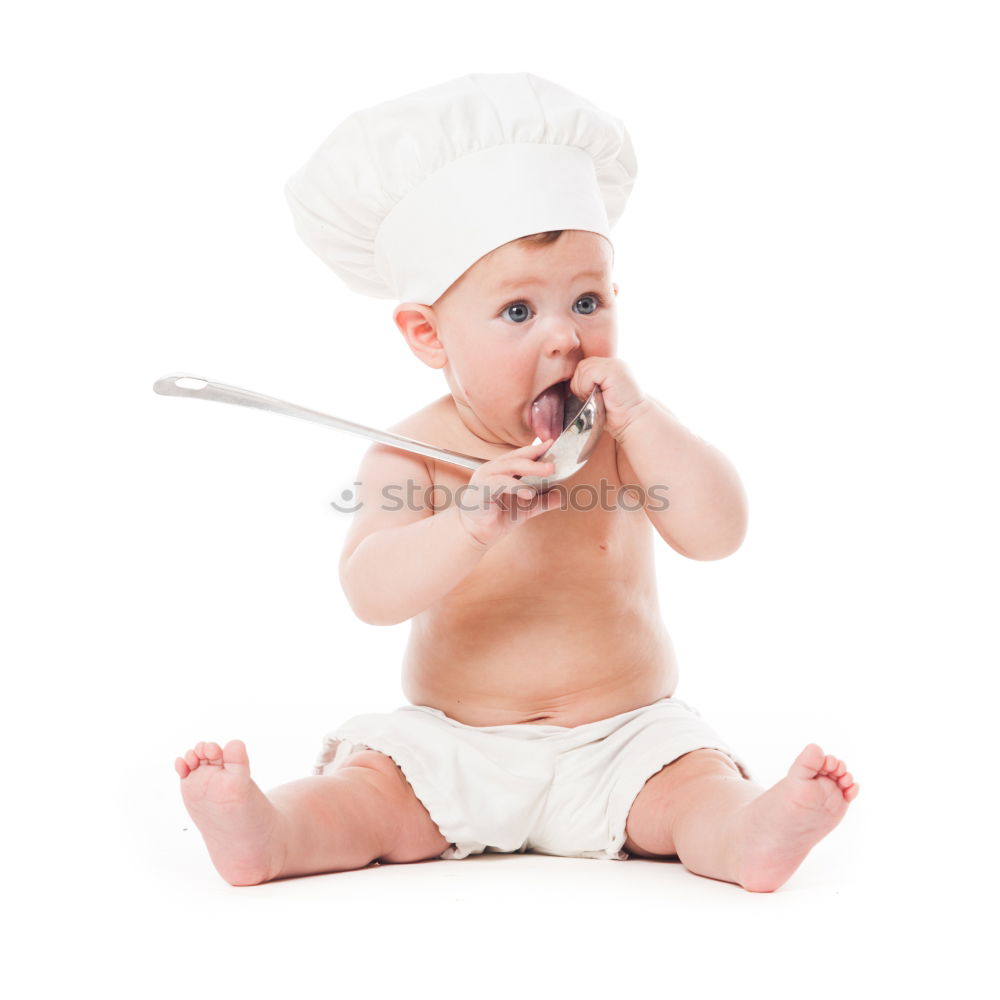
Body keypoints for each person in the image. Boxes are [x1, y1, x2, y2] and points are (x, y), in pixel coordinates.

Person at [174, 72, 858, 892]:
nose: (567, 337)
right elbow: (370, 591)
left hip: (625, 739)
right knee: (368, 798)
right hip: (454, 743)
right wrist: (468, 522)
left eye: (587, 298)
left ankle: (749, 833)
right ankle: (271, 833)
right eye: (519, 313)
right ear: (428, 334)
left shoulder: (625, 432)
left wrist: (645, 423)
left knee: (692, 790)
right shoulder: (413, 451)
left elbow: (719, 532)